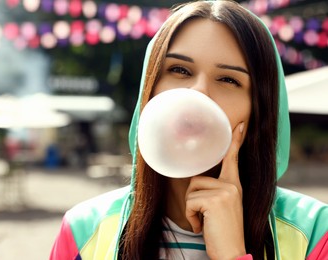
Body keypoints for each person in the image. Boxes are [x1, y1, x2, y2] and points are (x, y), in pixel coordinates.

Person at [50, 1, 328, 259]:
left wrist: (233, 254)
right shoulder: (83, 230)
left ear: (259, 110)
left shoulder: (315, 232)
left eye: (228, 79)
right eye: (180, 70)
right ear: (150, 90)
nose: (199, 93)